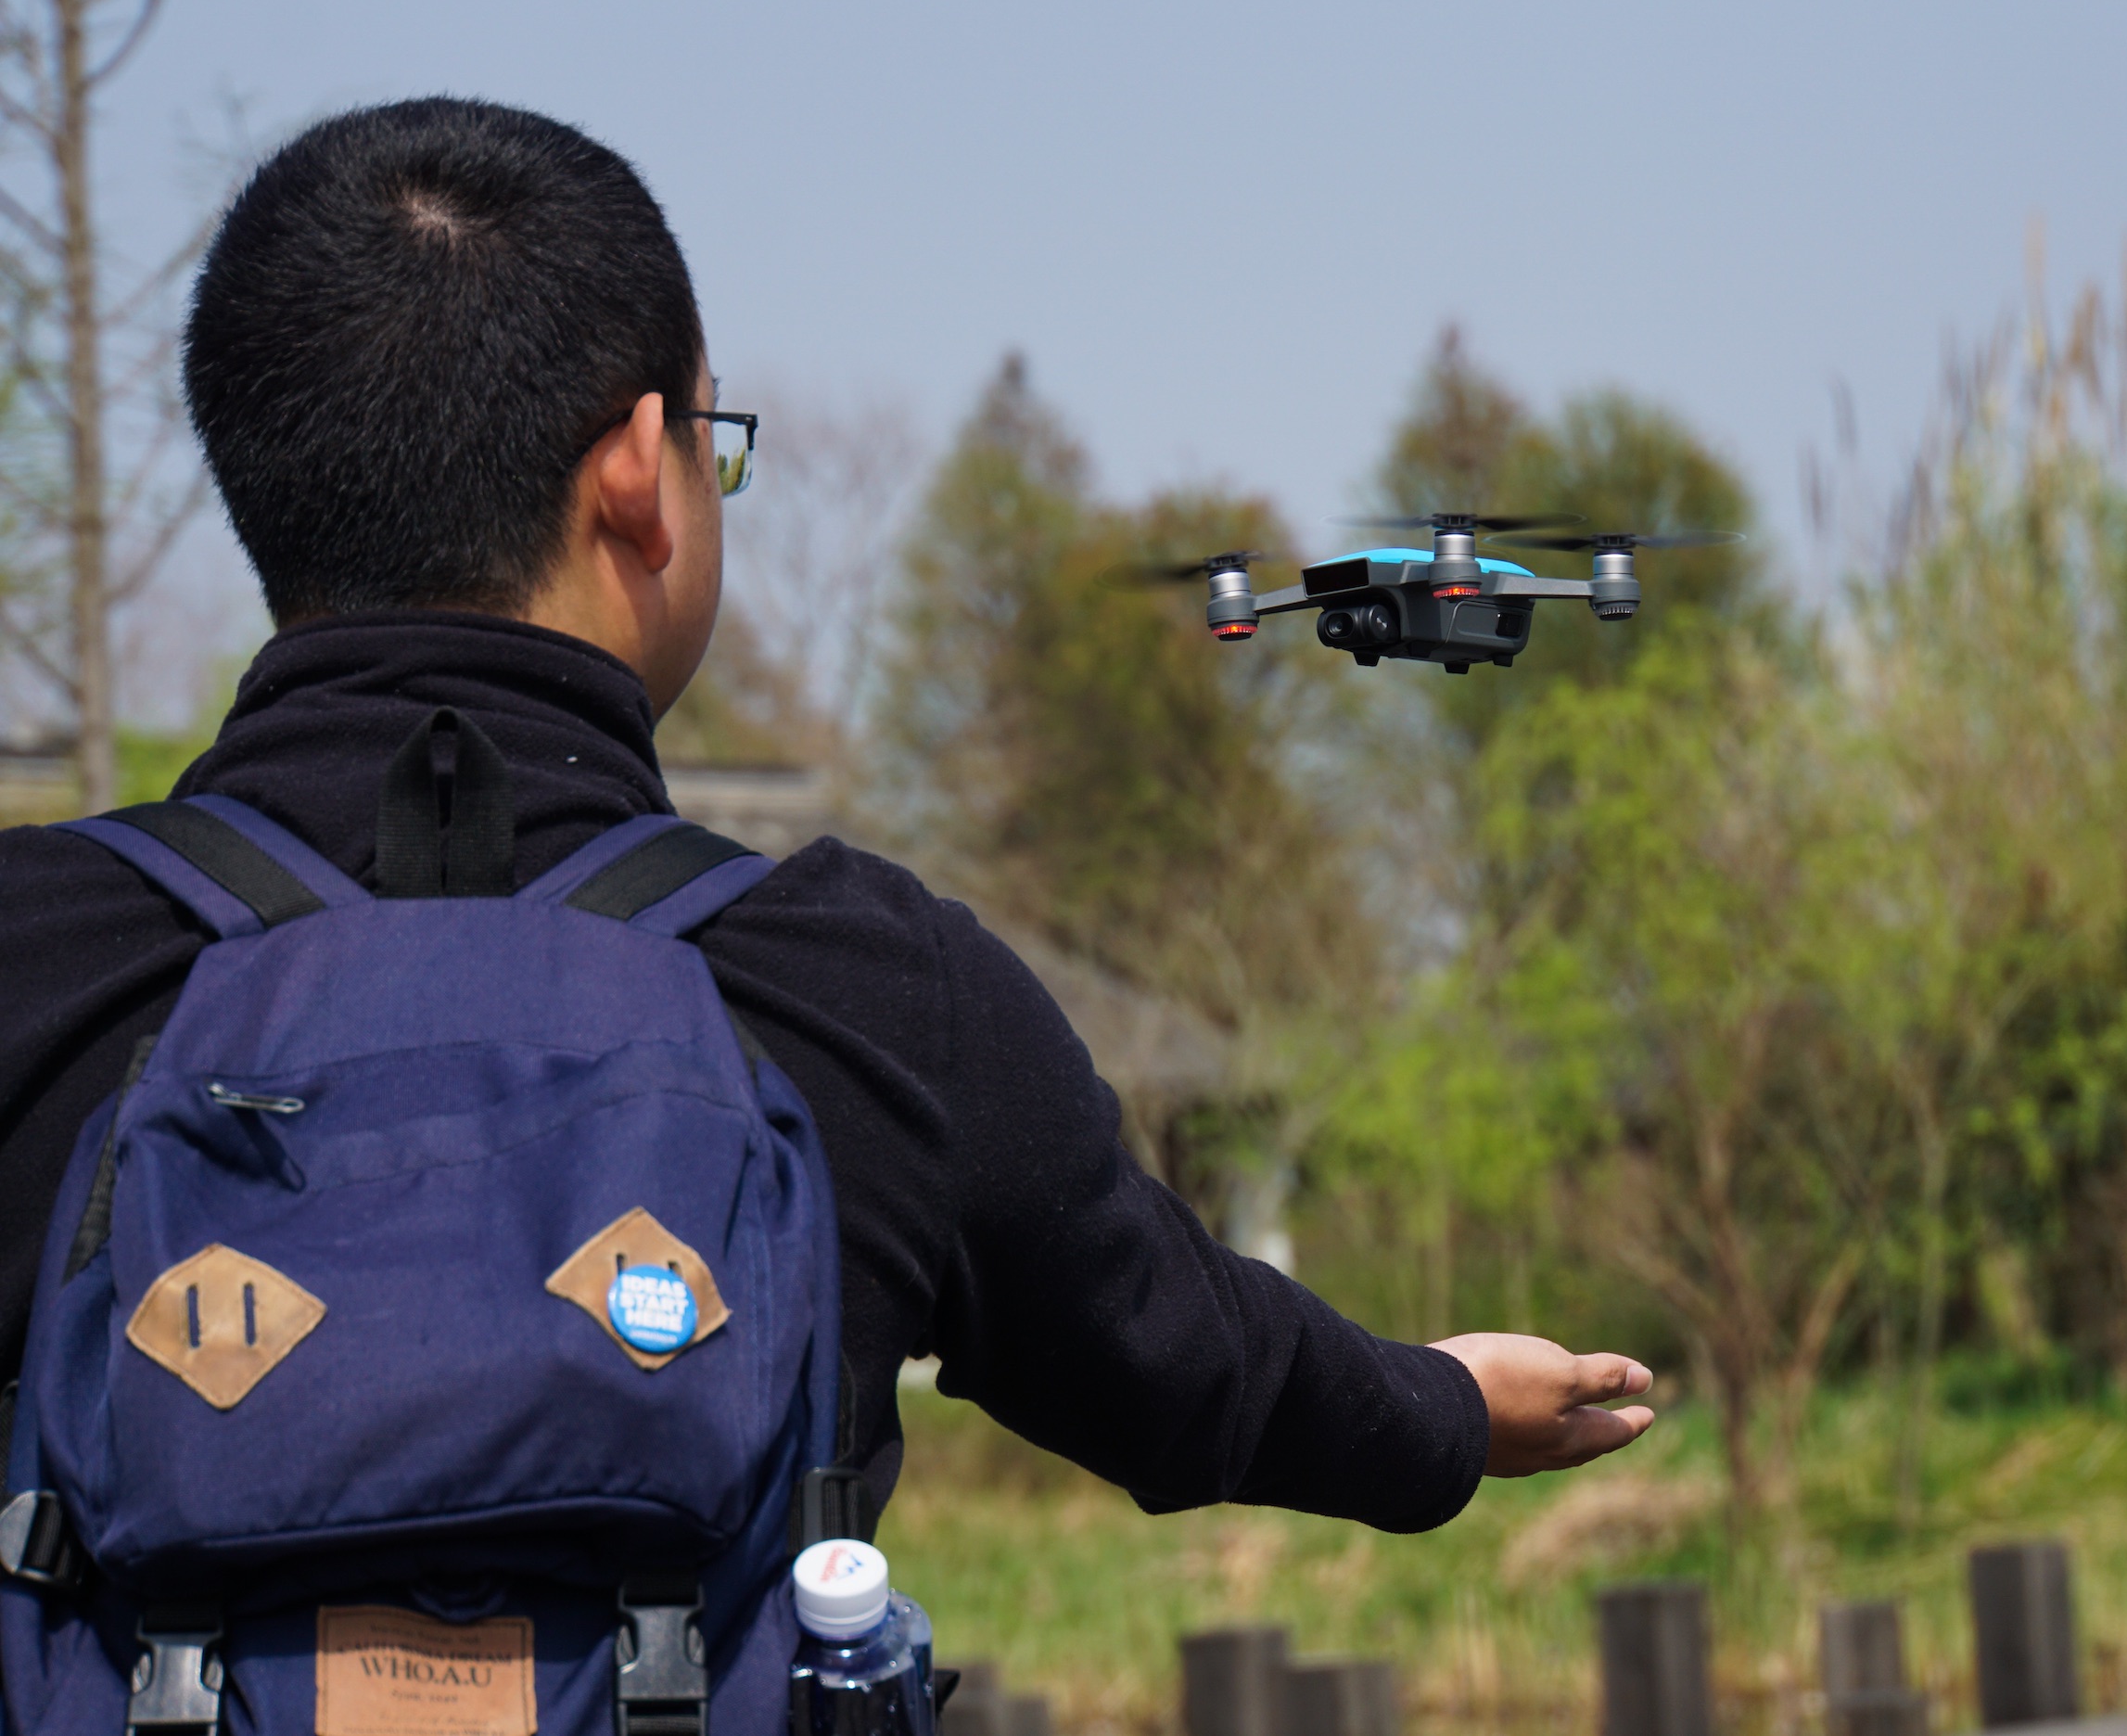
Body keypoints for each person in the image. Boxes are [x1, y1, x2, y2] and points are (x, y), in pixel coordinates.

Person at [0, 96, 1649, 1587]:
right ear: (637, 472)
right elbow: (1189, 1358)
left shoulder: (40, 953)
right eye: (711, 446)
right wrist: (1445, 1408)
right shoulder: (864, 984)